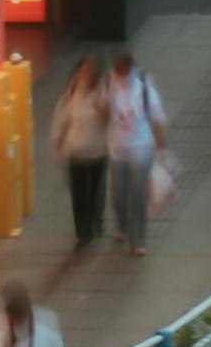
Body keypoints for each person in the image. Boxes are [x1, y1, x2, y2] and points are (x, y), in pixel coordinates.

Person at [52, 47, 115, 255]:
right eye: (83, 70)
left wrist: (103, 110)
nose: (84, 74)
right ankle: (83, 233)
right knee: (79, 196)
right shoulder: (72, 92)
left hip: (98, 152)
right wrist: (58, 143)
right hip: (76, 153)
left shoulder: (104, 91)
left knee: (95, 192)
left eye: (89, 70)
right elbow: (62, 119)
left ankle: (97, 219)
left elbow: (113, 120)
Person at [108, 43, 169, 235]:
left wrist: (160, 149)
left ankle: (138, 238)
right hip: (117, 148)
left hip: (140, 147)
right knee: (119, 194)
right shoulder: (108, 84)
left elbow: (156, 119)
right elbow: (103, 112)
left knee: (138, 195)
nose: (121, 76)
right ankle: (122, 224)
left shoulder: (143, 86)